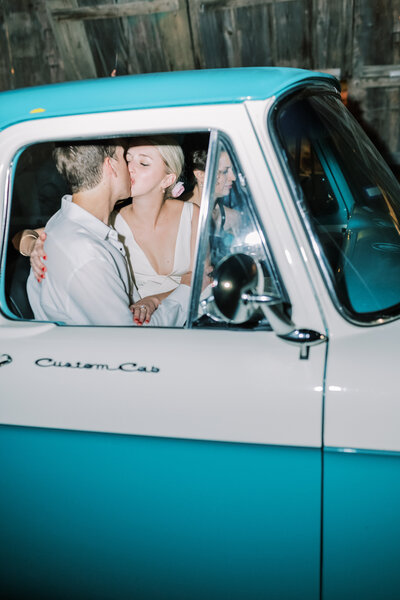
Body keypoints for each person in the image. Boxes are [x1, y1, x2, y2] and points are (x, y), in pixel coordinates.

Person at [26, 135, 199, 323]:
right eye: (126, 158)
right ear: (112, 166)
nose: (130, 167)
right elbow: (129, 340)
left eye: (142, 162)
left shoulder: (79, 224)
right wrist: (33, 243)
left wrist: (37, 244)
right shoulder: (88, 253)